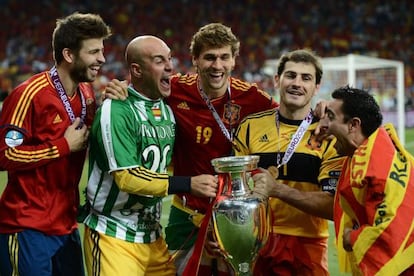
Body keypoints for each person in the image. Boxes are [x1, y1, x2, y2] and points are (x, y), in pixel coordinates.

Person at [104, 23, 278, 275]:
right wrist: (116, 90)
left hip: (234, 213)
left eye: (224, 57)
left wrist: (317, 115)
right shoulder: (174, 89)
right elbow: (140, 91)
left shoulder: (253, 97)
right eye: (209, 57)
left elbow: (288, 117)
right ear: (195, 59)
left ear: (233, 61)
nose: (217, 66)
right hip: (186, 213)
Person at [82, 35, 218, 276]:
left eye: (169, 59)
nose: (169, 66)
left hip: (153, 237)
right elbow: (127, 178)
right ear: (137, 69)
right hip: (114, 234)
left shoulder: (168, 106)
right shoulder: (117, 109)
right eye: (159, 60)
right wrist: (188, 184)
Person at [0, 12, 111, 276]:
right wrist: (61, 146)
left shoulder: (86, 93)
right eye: (94, 52)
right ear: (69, 55)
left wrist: (112, 107)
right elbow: (4, 156)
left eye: (102, 51)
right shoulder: (29, 94)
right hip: (26, 226)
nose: (102, 59)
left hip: (66, 225)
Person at [234, 49, 344, 276]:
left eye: (306, 78)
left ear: (316, 87)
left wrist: (278, 190)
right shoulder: (249, 127)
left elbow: (334, 207)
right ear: (277, 80)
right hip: (255, 242)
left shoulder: (328, 134)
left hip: (307, 246)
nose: (297, 83)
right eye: (290, 75)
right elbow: (233, 189)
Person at [319, 86, 414, 275]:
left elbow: (389, 233)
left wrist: (351, 237)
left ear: (353, 125)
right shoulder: (374, 152)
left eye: (331, 117)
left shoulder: (377, 170)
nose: (324, 125)